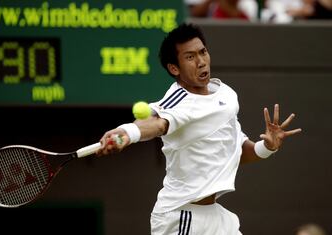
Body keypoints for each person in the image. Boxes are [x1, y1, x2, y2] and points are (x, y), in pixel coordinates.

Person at [97, 23, 302, 234]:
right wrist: (127, 133)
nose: (201, 61)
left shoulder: (226, 95)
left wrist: (267, 147)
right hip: (182, 216)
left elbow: (235, 149)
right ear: (174, 68)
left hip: (216, 218)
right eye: (190, 57)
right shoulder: (178, 100)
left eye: (202, 52)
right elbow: (156, 122)